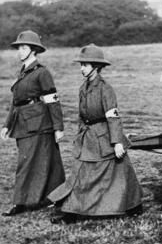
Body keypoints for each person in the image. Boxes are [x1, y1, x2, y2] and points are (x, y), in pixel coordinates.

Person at [48, 44, 143, 223]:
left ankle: (133, 205)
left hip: (105, 137)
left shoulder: (105, 89)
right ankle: (72, 211)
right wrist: (79, 137)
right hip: (88, 137)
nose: (82, 68)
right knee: (81, 174)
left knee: (121, 173)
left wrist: (117, 142)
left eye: (85, 64)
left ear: (96, 66)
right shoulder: (83, 88)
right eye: (81, 64)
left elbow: (113, 117)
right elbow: (81, 117)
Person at [1, 30, 65, 216]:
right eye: (18, 48)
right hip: (23, 124)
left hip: (39, 124)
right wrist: (6, 125)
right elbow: (16, 102)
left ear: (34, 50)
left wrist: (58, 127)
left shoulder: (42, 73)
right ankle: (51, 197)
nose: (19, 51)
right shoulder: (23, 72)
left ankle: (22, 203)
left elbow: (53, 101)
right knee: (40, 161)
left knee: (39, 162)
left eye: (23, 47)